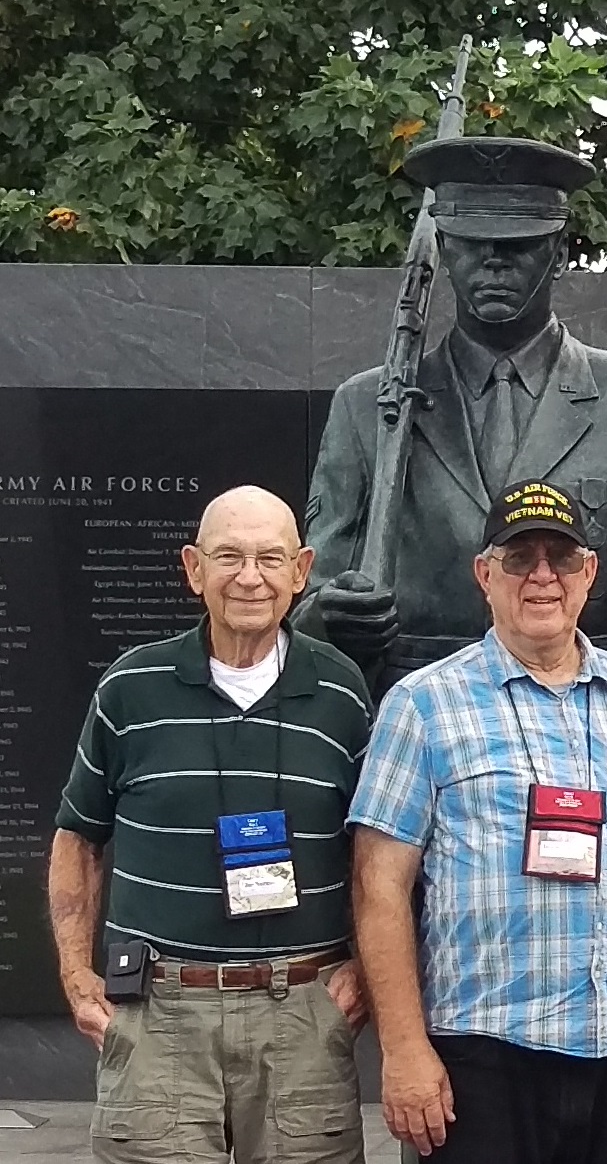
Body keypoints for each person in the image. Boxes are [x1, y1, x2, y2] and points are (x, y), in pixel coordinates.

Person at [349, 480, 607, 1162]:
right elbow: (378, 885)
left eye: (561, 558)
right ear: (485, 575)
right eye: (520, 559)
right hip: (482, 1058)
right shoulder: (423, 705)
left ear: (589, 573)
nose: (542, 576)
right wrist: (402, 1048)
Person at [304, 135, 607, 689]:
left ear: (561, 254)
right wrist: (332, 617)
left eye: (518, 245)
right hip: (416, 720)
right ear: (444, 248)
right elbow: (310, 593)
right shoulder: (365, 407)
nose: (493, 262)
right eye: (470, 243)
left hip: (593, 713)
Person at [50, 486, 373, 1162]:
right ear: (194, 569)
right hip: (159, 1015)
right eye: (229, 556)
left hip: (304, 1016)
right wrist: (78, 977)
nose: (249, 577)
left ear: (302, 570)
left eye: (269, 558)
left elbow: (375, 854)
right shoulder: (129, 690)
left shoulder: (343, 693)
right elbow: (79, 839)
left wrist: (366, 974)